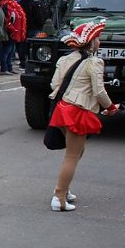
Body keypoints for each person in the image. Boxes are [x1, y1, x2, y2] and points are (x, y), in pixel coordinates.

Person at [48, 19, 119, 212]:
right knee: (72, 155)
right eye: (98, 38)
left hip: (62, 108)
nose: (99, 42)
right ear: (91, 41)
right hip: (78, 111)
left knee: (77, 152)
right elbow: (99, 91)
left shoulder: (64, 59)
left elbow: (55, 85)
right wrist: (111, 107)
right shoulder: (94, 62)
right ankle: (59, 196)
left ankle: (64, 189)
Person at [0, 0, 25, 75]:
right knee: (7, 50)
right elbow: (7, 18)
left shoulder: (13, 5)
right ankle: (4, 67)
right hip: (10, 31)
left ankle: (9, 67)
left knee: (11, 50)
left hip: (15, 30)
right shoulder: (6, 5)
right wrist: (12, 28)